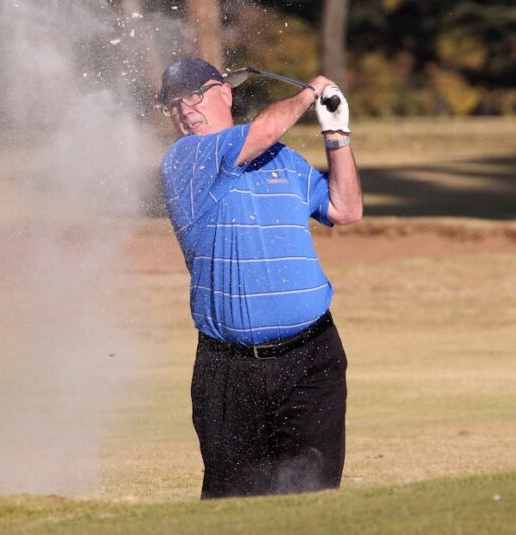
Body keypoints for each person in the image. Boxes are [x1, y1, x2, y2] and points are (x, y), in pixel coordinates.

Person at [157, 57, 364, 499]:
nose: (184, 109)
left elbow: (345, 209)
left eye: (195, 94)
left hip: (312, 359)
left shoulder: (283, 161)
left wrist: (337, 138)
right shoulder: (186, 160)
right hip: (229, 373)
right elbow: (265, 130)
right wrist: (310, 94)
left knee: (312, 498)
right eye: (173, 104)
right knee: (233, 506)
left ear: (226, 93)